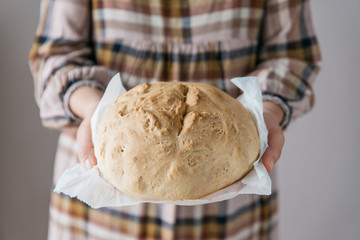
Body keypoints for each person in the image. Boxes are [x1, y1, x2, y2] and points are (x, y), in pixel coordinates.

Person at [29, 0, 321, 239]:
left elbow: (291, 56)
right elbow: (56, 56)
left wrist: (266, 111)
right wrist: (94, 109)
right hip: (100, 211)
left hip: (232, 206)